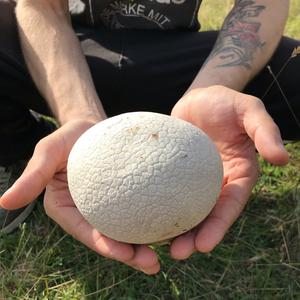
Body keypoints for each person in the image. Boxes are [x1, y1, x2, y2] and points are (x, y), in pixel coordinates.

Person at [0, 0, 299, 274]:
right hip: (77, 55)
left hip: (178, 63)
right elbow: (42, 6)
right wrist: (81, 117)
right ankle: (22, 148)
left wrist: (207, 90)